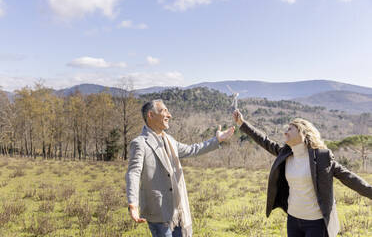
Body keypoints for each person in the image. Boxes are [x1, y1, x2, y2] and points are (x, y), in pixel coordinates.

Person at [233, 109, 372, 237]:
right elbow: (264, 140)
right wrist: (242, 123)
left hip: (316, 223)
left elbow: (348, 177)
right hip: (293, 220)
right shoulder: (285, 154)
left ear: (303, 133)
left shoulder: (322, 157)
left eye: (290, 129)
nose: (285, 132)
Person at [126, 99, 235, 237]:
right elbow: (133, 173)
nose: (169, 115)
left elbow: (193, 149)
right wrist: (133, 204)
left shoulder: (169, 140)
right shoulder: (139, 143)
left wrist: (217, 140)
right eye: (164, 111)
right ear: (150, 115)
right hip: (159, 212)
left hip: (179, 210)